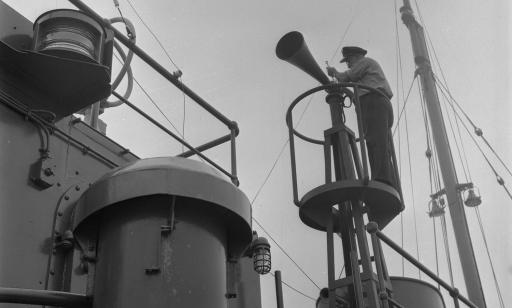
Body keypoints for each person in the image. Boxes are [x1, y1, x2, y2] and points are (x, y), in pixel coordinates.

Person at [326, 46, 396, 188]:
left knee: (376, 142)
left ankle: (382, 180)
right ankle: (385, 180)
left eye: (349, 60)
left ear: (356, 56)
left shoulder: (365, 62)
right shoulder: (366, 66)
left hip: (374, 102)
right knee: (376, 142)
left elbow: (347, 77)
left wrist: (334, 73)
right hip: (376, 104)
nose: (348, 64)